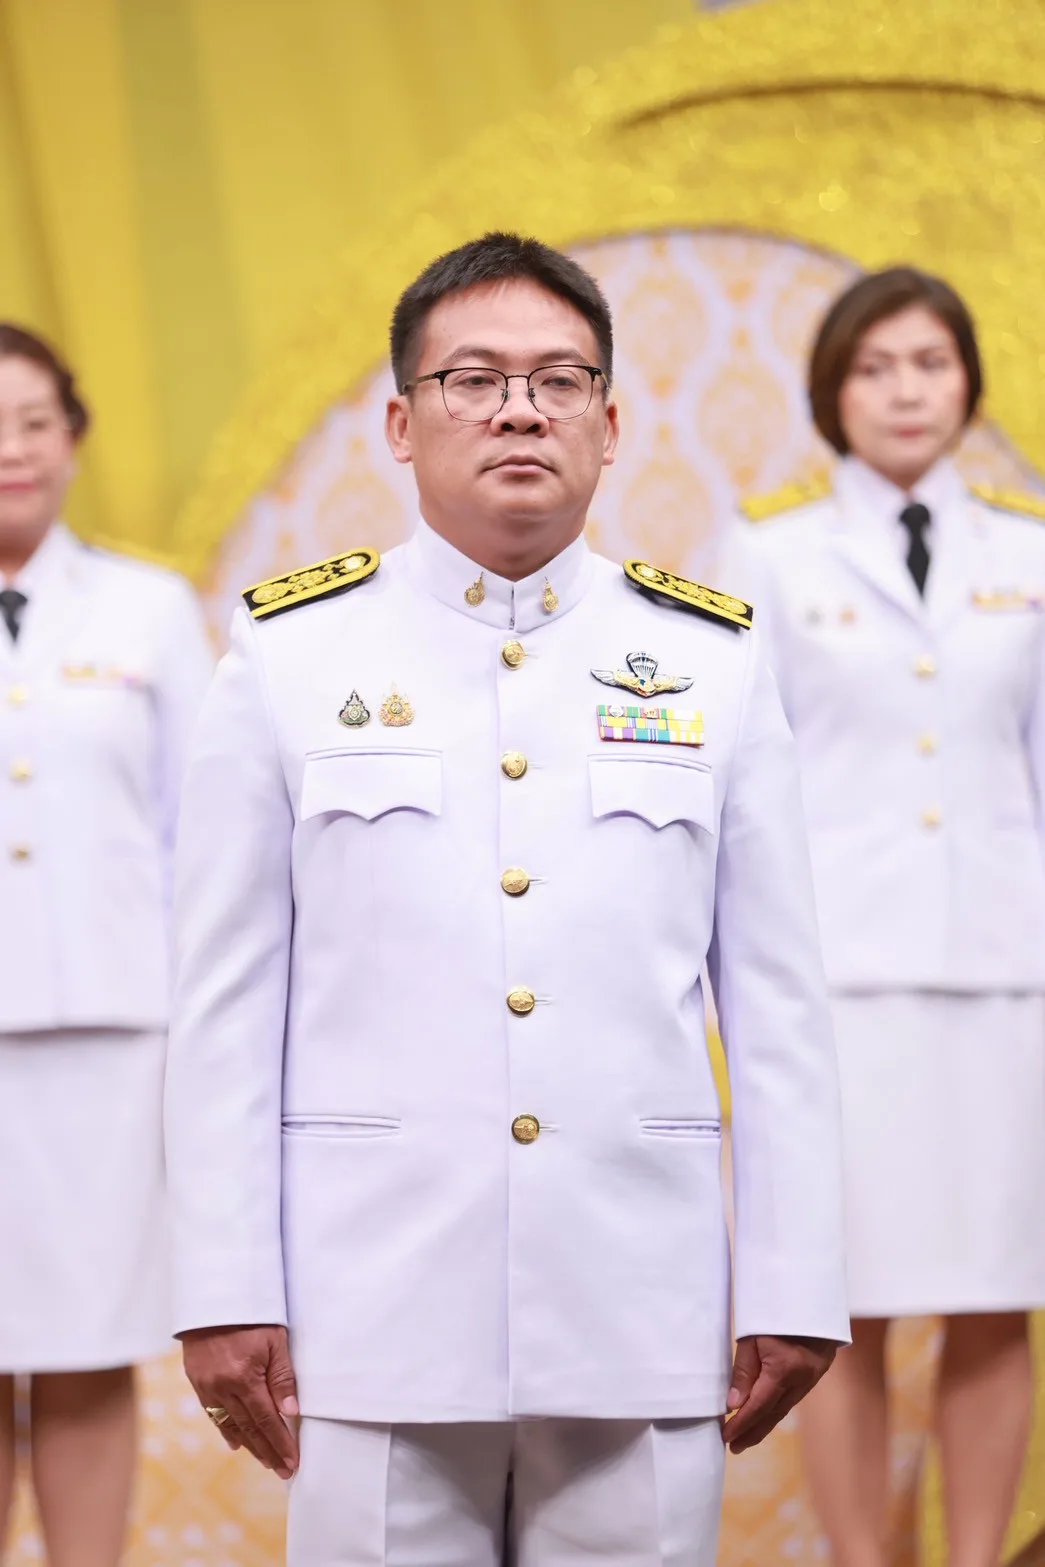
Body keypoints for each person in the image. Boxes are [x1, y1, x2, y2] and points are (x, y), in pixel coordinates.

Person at [164, 231, 849, 1567]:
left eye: (557, 379)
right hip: (371, 1307)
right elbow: (225, 1004)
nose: (519, 409)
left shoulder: (709, 658)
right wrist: (223, 1285)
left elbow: (778, 1006)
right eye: (473, 378)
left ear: (611, 423)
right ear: (401, 424)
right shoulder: (290, 654)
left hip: (638, 1298)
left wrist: (794, 1278)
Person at [725, 267, 1045, 1567]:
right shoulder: (768, 551)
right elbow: (744, 776)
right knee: (841, 1297)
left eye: (929, 361)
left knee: (994, 1292)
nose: (905, 390)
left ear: (967, 381)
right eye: (874, 366)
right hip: (837, 982)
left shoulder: (1029, 551)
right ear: (830, 393)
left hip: (1002, 978)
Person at [0, 324, 213, 1566]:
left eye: (33, 421)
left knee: (86, 1344)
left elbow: (203, 838)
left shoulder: (148, 608)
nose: (11, 450)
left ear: (73, 437)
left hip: (109, 1034)